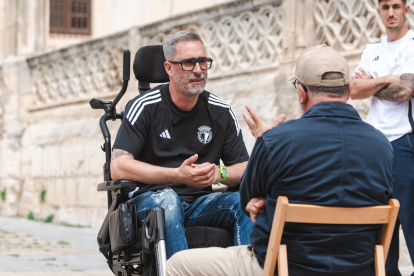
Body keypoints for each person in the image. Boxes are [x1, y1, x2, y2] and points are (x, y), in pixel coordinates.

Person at [166, 45, 393, 276]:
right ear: (349, 90)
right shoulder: (383, 145)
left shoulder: (276, 141)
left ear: (301, 93)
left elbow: (247, 199)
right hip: (360, 269)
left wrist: (267, 197)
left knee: (176, 265)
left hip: (286, 266)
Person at [110, 31, 253, 259]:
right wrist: (177, 175)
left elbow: (245, 167)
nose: (198, 70)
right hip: (150, 202)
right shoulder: (144, 106)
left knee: (242, 202)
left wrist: (219, 173)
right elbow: (118, 166)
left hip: (200, 204)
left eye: (203, 62)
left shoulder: (221, 111)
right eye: (188, 63)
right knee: (169, 200)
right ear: (168, 68)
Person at [351, 0, 414, 274]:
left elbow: (404, 92)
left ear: (406, 9)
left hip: (404, 142)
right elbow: (352, 89)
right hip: (374, 147)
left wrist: (373, 83)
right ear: (378, 11)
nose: (391, 12)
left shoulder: (412, 44)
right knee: (380, 228)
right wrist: (390, 78)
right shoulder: (372, 49)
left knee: (410, 222)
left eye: (396, 6)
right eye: (385, 6)